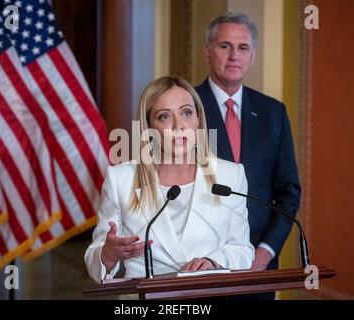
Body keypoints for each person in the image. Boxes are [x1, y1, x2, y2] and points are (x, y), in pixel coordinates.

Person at [85, 76, 254, 283]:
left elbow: (243, 250)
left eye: (186, 113)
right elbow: (95, 262)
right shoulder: (121, 178)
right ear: (148, 126)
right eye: (164, 116)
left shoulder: (231, 176)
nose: (178, 126)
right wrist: (108, 254)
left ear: (198, 119)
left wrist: (213, 261)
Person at [195, 13, 301, 278]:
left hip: (257, 265)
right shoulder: (185, 107)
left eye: (243, 48)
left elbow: (288, 192)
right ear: (208, 52)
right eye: (224, 46)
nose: (234, 56)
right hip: (197, 263)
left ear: (252, 56)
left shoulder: (273, 112)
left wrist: (266, 251)